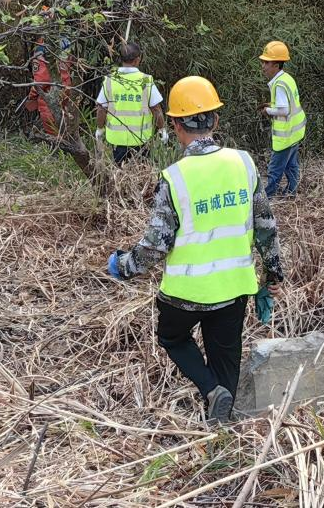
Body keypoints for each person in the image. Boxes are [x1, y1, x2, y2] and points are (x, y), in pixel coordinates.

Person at [107, 76, 284, 423]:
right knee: (226, 359)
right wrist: (273, 272)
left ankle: (210, 391)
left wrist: (123, 266)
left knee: (172, 338)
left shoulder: (174, 177)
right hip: (234, 290)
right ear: (215, 120)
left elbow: (156, 246)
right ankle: (222, 430)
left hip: (184, 295)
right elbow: (266, 225)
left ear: (175, 125)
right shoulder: (244, 163)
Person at [95, 42, 165, 166]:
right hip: (141, 139)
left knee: (119, 172)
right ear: (138, 59)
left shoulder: (110, 80)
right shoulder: (146, 80)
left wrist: (100, 129)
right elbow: (156, 109)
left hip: (117, 139)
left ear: (121, 59)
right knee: (142, 174)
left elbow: (101, 109)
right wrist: (162, 130)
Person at [258, 40, 305, 198]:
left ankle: (266, 198)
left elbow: (284, 110)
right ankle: (292, 192)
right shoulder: (287, 78)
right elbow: (288, 104)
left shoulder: (279, 84)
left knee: (275, 169)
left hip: (285, 136)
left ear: (276, 64)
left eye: (266, 63)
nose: (263, 66)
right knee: (291, 165)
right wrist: (272, 104)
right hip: (294, 132)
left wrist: (267, 110)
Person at [25, 6, 74, 137]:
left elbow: (42, 79)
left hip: (50, 92)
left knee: (53, 129)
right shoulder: (66, 41)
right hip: (66, 90)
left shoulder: (42, 46)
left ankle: (56, 150)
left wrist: (32, 96)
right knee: (66, 122)